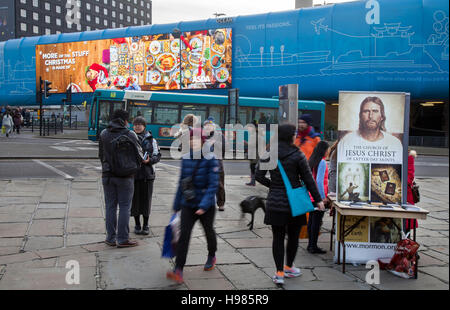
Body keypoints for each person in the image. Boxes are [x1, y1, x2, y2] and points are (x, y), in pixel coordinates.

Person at [255, 123, 325, 285]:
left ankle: (279, 272)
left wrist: (272, 185)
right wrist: (318, 200)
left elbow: (258, 175)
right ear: (290, 136)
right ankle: (289, 267)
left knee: (277, 237)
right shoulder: (297, 154)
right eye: (294, 133)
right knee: (293, 236)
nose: (296, 135)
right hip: (295, 204)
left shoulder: (269, 153)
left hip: (275, 202)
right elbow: (308, 179)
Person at [166, 128, 220, 284]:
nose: (192, 142)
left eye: (195, 139)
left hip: (206, 205)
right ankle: (178, 269)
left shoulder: (211, 158)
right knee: (184, 236)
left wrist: (204, 205)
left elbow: (213, 185)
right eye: (190, 139)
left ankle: (212, 254)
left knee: (209, 231)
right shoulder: (185, 157)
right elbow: (182, 183)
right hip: (188, 204)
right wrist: (176, 205)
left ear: (202, 140)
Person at [98, 109, 149, 248]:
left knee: (110, 206)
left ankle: (110, 238)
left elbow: (101, 155)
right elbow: (140, 155)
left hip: (108, 175)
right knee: (125, 207)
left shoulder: (104, 133)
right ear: (125, 121)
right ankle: (122, 239)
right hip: (126, 176)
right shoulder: (130, 134)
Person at [338, 96, 403, 163]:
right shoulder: (346, 141)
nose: (370, 116)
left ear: (382, 116)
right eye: (366, 111)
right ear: (360, 116)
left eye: (375, 111)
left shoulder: (395, 143)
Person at [131, 117, 161, 235]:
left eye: (140, 124)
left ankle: (146, 225)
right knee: (135, 201)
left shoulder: (151, 139)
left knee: (146, 200)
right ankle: (137, 224)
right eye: (135, 124)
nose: (137, 126)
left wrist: (149, 161)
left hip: (147, 175)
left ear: (144, 126)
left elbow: (157, 155)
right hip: (133, 174)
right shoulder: (130, 137)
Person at [307, 141, 330, 254]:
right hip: (318, 197)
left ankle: (310, 245)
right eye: (327, 149)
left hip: (311, 196)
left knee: (312, 220)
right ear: (324, 150)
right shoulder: (322, 162)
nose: (328, 151)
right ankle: (313, 246)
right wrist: (322, 197)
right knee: (316, 222)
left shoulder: (312, 161)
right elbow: (319, 181)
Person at [203, 117, 226, 211]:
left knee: (219, 184)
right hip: (204, 162)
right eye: (206, 125)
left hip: (217, 161)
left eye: (210, 125)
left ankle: (221, 203)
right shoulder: (201, 136)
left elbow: (223, 148)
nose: (208, 127)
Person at [405, 149, 418, 234]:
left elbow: (409, 178)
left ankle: (405, 241)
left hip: (406, 194)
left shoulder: (409, 156)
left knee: (406, 223)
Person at [245, 120, 259, 186]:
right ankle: (252, 181)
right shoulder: (255, 134)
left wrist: (245, 143)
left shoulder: (255, 135)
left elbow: (252, 144)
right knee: (252, 167)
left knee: (253, 167)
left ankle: (253, 182)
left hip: (255, 154)